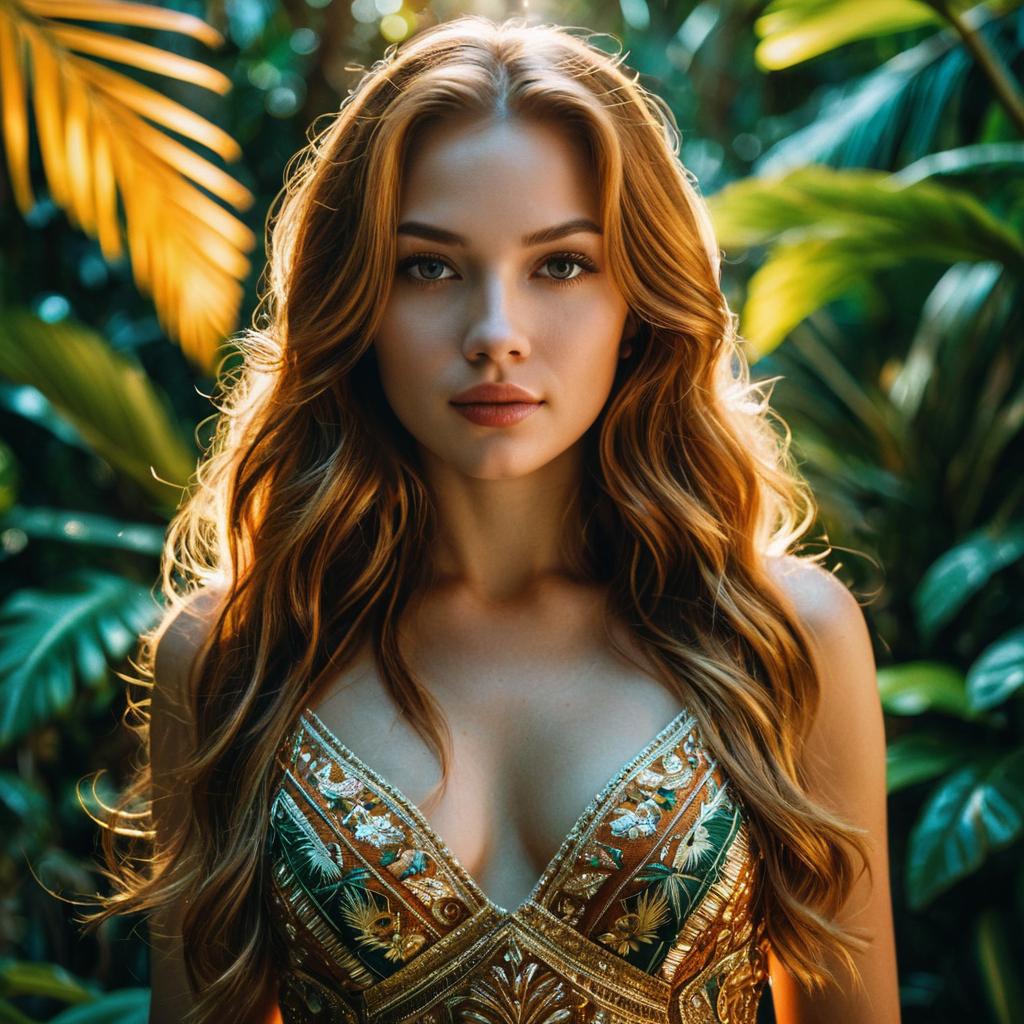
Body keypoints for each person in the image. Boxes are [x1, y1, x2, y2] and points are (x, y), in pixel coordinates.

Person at [80, 15, 901, 1024]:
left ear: (638, 299)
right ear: (357, 299)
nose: (496, 334)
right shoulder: (235, 658)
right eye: (430, 266)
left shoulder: (783, 639)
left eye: (559, 265)